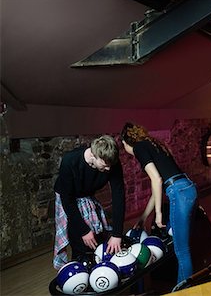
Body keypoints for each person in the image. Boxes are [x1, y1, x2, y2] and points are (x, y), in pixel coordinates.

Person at [120, 122, 197, 284]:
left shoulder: (139, 148)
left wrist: (159, 214)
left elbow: (156, 179)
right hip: (186, 188)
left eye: (123, 145)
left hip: (178, 192)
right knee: (183, 246)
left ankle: (184, 292)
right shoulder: (152, 143)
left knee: (182, 251)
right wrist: (143, 218)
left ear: (126, 142)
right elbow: (158, 188)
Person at [53, 135, 125, 270]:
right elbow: (67, 200)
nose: (109, 169)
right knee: (80, 243)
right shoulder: (70, 161)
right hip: (68, 199)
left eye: (110, 165)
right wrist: (84, 230)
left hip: (87, 196)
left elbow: (118, 196)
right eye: (105, 165)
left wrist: (117, 234)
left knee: (100, 238)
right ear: (93, 155)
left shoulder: (111, 162)